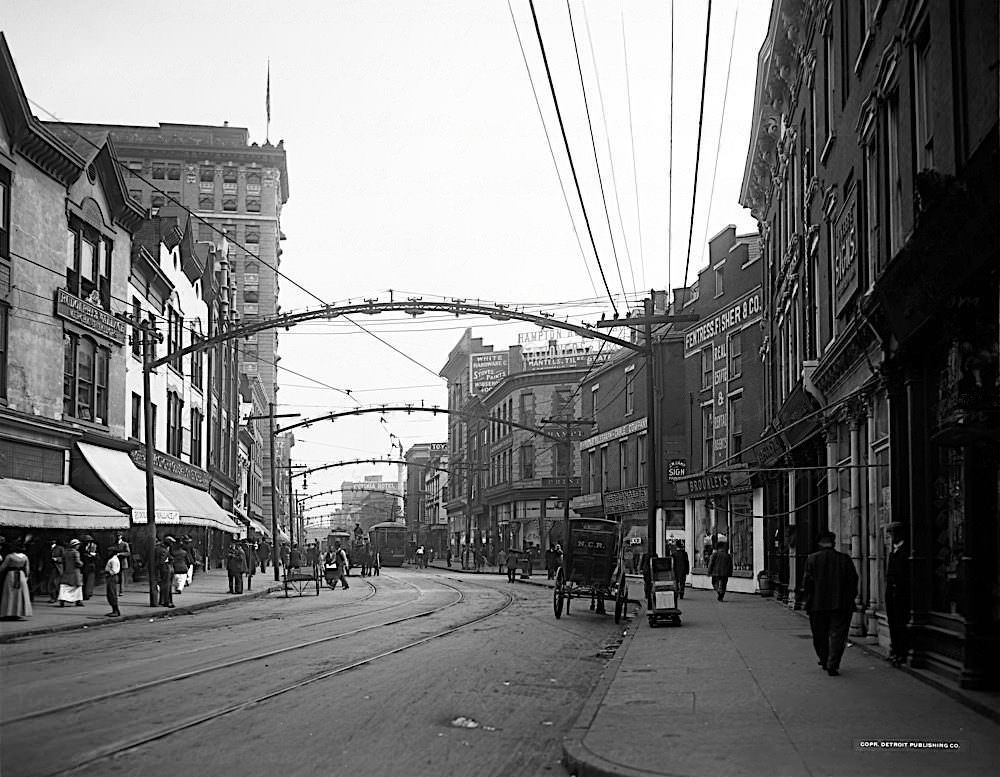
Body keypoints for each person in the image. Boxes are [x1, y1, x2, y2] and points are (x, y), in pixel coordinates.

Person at [802, 530, 859, 677]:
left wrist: (808, 600)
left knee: (819, 634)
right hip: (840, 604)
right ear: (833, 543)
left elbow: (807, 583)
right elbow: (853, 581)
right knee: (838, 635)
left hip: (817, 604)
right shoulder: (844, 559)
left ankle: (824, 658)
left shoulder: (812, 559)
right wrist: (849, 599)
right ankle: (833, 663)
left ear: (819, 544)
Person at [884, 522, 910, 667]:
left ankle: (901, 652)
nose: (889, 537)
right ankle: (896, 650)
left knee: (900, 623)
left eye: (891, 534)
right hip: (892, 594)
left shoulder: (904, 551)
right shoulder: (894, 551)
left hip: (901, 594)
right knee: (893, 623)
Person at [0, 539, 33, 620]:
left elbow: (3, 567)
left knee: (10, 593)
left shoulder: (10, 556)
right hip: (21, 575)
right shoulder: (25, 557)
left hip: (11, 575)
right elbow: (27, 569)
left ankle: (9, 612)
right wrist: (26, 577)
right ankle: (18, 612)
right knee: (20, 594)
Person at [58, 538, 85, 607]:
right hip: (75, 572)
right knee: (77, 587)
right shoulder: (75, 552)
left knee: (64, 586)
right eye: (78, 545)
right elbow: (78, 562)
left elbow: (62, 562)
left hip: (66, 571)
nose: (78, 546)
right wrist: (82, 564)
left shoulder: (65, 552)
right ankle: (78, 600)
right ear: (75, 545)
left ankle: (62, 600)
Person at [79, 534, 99, 600]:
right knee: (85, 580)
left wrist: (93, 555)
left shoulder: (94, 546)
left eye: (88, 541)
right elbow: (81, 554)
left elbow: (98, 556)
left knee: (90, 580)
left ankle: (88, 593)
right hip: (85, 564)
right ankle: (85, 593)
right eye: (86, 541)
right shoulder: (82, 547)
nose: (87, 542)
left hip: (91, 564)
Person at [156, 539, 174, 608]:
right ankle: (167, 601)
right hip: (165, 569)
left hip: (161, 569)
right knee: (167, 586)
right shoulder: (164, 550)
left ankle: (162, 600)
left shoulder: (158, 548)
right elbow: (161, 561)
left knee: (163, 586)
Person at [103, 546, 121, 617]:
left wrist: (107, 572)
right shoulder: (112, 559)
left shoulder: (114, 560)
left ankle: (116, 610)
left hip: (112, 577)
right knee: (110, 593)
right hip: (111, 577)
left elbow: (114, 570)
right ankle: (114, 610)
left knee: (112, 593)